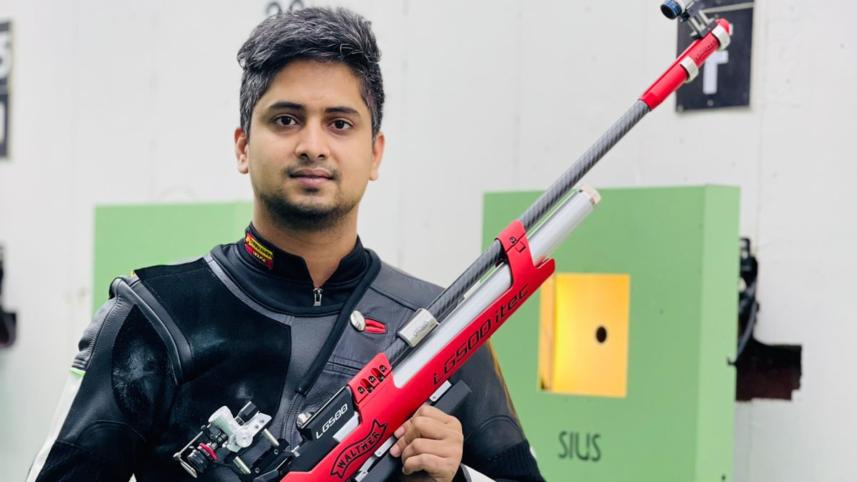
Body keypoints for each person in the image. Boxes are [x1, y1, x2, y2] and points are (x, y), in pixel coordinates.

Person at [27, 7, 544, 482]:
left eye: (339, 123)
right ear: (243, 146)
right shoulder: (153, 317)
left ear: (375, 153)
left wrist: (458, 478)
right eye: (286, 119)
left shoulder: (440, 327)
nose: (312, 145)